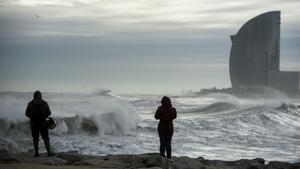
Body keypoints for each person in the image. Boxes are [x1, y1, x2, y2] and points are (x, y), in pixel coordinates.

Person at [25, 90, 54, 157]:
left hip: (34, 124)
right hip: (43, 123)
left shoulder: (30, 103)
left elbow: (26, 113)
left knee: (35, 139)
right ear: (40, 96)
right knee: (46, 138)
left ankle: (37, 154)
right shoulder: (44, 103)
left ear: (34, 96)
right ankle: (49, 153)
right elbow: (49, 113)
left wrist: (32, 117)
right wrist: (44, 116)